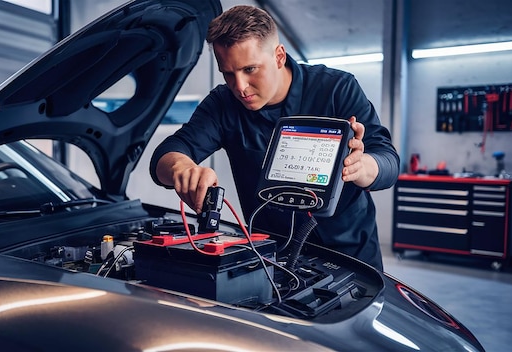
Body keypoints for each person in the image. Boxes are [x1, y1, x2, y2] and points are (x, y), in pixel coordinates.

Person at [149, 5, 399, 271]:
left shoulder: (336, 89)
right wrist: (181, 168)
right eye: (228, 73)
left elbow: (388, 161)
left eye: (250, 69)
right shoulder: (222, 104)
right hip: (271, 256)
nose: (240, 87)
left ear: (279, 56)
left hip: (351, 255)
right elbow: (168, 153)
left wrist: (363, 167)